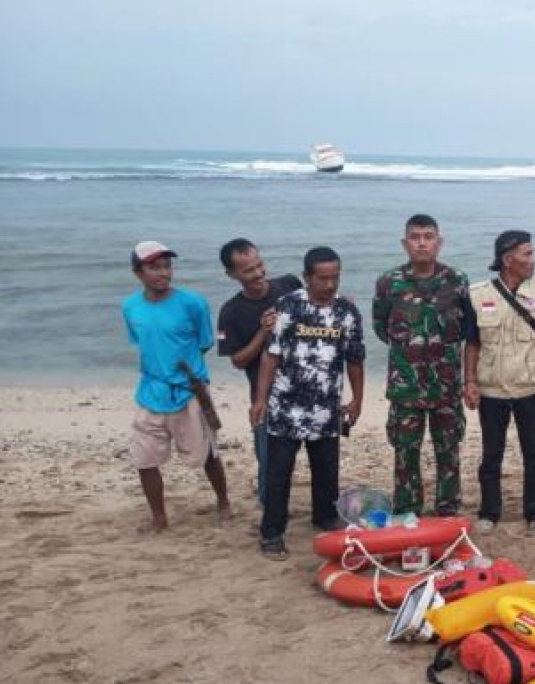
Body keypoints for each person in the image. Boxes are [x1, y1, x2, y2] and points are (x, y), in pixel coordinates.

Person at [250, 247, 365, 561]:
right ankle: (272, 533)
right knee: (279, 474)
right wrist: (260, 399)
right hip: (286, 407)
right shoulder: (288, 306)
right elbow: (271, 355)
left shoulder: (347, 312)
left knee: (327, 472)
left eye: (335, 277)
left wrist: (357, 400)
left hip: (327, 408)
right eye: (323, 278)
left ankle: (325, 518)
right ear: (307, 277)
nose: (330, 285)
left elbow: (354, 359)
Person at [122, 241, 232, 532]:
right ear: (138, 272)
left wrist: (184, 371)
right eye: (154, 267)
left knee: (207, 453)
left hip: (189, 391)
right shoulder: (130, 307)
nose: (163, 273)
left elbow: (205, 342)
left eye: (166, 266)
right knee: (144, 459)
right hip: (150, 391)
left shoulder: (192, 303)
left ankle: (223, 501)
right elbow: (140, 341)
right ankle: (158, 517)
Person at [373, 215, 471, 517]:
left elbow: (469, 330)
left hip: (446, 387)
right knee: (405, 453)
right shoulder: (389, 283)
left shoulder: (457, 281)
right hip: (406, 388)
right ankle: (407, 509)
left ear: (438, 242)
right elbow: (381, 327)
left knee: (449, 451)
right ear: (405, 243)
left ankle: (448, 508)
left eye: (428, 236)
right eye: (415, 237)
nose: (422, 243)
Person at [463, 230, 535, 532]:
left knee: (533, 452)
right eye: (527, 254)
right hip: (491, 387)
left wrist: (530, 356)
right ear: (507, 259)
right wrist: (470, 382)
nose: (533, 259)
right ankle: (489, 512)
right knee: (491, 454)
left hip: (531, 385)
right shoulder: (477, 294)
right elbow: (472, 342)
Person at [216, 238, 301, 505]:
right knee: (268, 459)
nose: (258, 274)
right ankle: (270, 510)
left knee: (319, 454)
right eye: (248, 270)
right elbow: (237, 361)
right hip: (265, 396)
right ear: (232, 275)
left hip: (305, 389)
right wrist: (262, 332)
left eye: (259, 265)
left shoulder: (290, 285)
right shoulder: (230, 312)